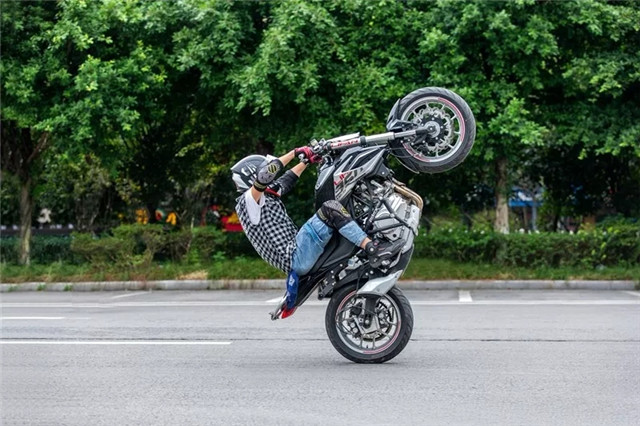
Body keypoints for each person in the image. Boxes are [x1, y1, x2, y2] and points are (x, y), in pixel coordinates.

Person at [231, 146, 403, 318]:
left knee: (341, 212)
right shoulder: (248, 201)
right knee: (330, 208)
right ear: (253, 175)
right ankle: (372, 248)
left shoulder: (263, 197)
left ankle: (370, 238)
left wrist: (307, 160)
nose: (271, 176)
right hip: (296, 255)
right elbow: (265, 176)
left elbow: (287, 180)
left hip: (298, 254)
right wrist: (294, 153)